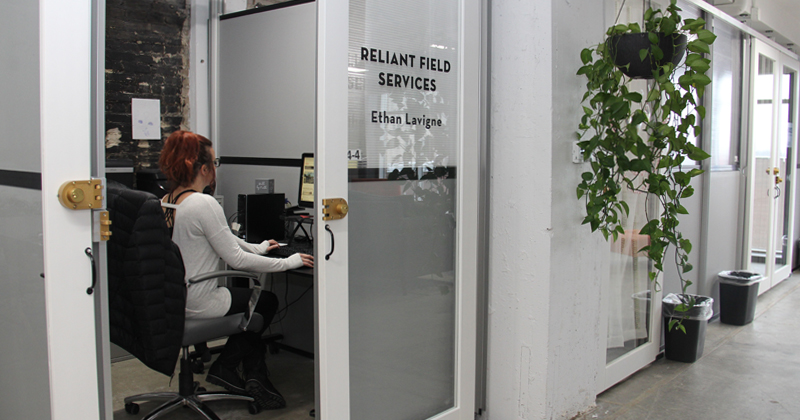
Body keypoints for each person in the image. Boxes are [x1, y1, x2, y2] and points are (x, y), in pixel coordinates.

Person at [158, 130, 314, 410]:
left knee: (252, 301)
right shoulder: (203, 203)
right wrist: (287, 262)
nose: (215, 170)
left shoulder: (169, 201)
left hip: (175, 298)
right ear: (204, 168)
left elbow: (225, 240)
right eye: (214, 164)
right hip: (198, 300)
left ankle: (245, 372)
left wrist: (260, 247)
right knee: (265, 301)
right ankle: (228, 366)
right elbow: (236, 261)